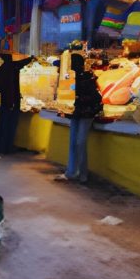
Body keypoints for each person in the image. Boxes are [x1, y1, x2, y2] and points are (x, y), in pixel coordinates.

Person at [58, 54, 103, 183]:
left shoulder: (87, 79)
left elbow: (96, 98)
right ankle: (71, 172)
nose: (71, 66)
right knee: (73, 142)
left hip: (86, 114)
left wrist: (79, 99)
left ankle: (83, 174)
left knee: (80, 142)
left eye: (72, 64)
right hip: (75, 113)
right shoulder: (70, 79)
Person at [0, 53, 34, 159]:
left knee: (2, 125)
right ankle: (6, 148)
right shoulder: (12, 68)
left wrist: (3, 92)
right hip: (12, 101)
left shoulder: (3, 68)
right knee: (9, 126)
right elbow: (11, 85)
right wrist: (31, 58)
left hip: (5, 101)